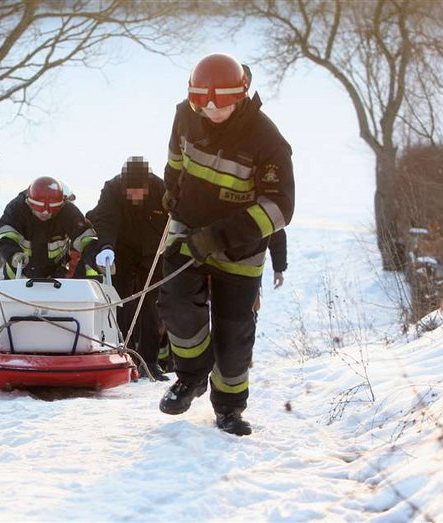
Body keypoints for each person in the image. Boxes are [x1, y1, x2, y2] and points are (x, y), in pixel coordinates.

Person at [158, 53, 295, 436]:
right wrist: (172, 192)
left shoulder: (268, 141)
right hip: (188, 230)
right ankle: (190, 378)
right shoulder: (184, 114)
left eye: (221, 102)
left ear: (241, 94)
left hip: (240, 247)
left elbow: (280, 206)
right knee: (176, 303)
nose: (211, 110)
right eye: (202, 102)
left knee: (234, 333)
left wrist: (218, 237)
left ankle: (230, 408)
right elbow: (175, 160)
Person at [87, 157, 170, 381]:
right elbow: (105, 219)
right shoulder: (112, 189)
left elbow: (174, 219)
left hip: (154, 253)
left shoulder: (162, 189)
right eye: (130, 192)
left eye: (139, 192)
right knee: (122, 303)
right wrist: (105, 247)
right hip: (122, 251)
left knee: (150, 306)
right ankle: (122, 357)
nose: (134, 196)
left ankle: (150, 363)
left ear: (147, 186)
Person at [0, 177, 98, 279]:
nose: (45, 213)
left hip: (56, 277)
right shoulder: (16, 210)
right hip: (18, 275)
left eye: (51, 210)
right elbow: (6, 238)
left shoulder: (68, 212)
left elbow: (85, 239)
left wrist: (97, 258)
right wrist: (13, 255)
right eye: (39, 208)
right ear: (29, 202)